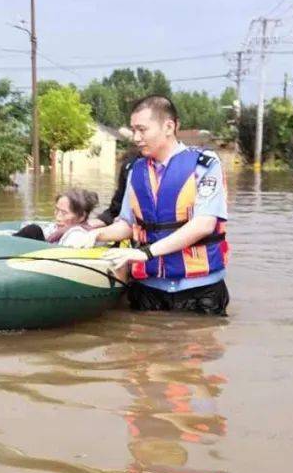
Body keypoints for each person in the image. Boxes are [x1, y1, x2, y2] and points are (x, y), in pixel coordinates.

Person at [93, 95, 230, 314]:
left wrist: (146, 253)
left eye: (142, 130)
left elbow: (203, 225)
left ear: (169, 126)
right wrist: (94, 235)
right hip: (148, 290)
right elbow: (128, 224)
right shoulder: (134, 170)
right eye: (133, 130)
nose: (136, 137)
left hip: (200, 291)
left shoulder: (204, 164)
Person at [14, 189, 100, 247]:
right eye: (57, 210)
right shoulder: (55, 228)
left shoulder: (77, 235)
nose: (58, 217)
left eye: (64, 213)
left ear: (81, 216)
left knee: (33, 230)